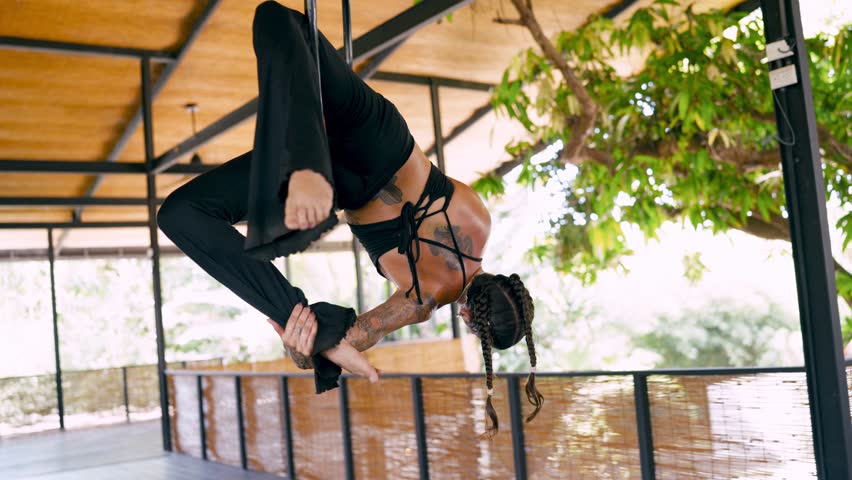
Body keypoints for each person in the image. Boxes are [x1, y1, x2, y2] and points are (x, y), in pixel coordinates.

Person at [157, 0, 542, 435]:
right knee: (180, 213)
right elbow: (348, 339)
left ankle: (308, 162)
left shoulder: (480, 219)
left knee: (278, 21)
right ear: (473, 321)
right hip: (341, 183)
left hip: (380, 137)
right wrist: (305, 345)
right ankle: (307, 171)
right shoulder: (424, 298)